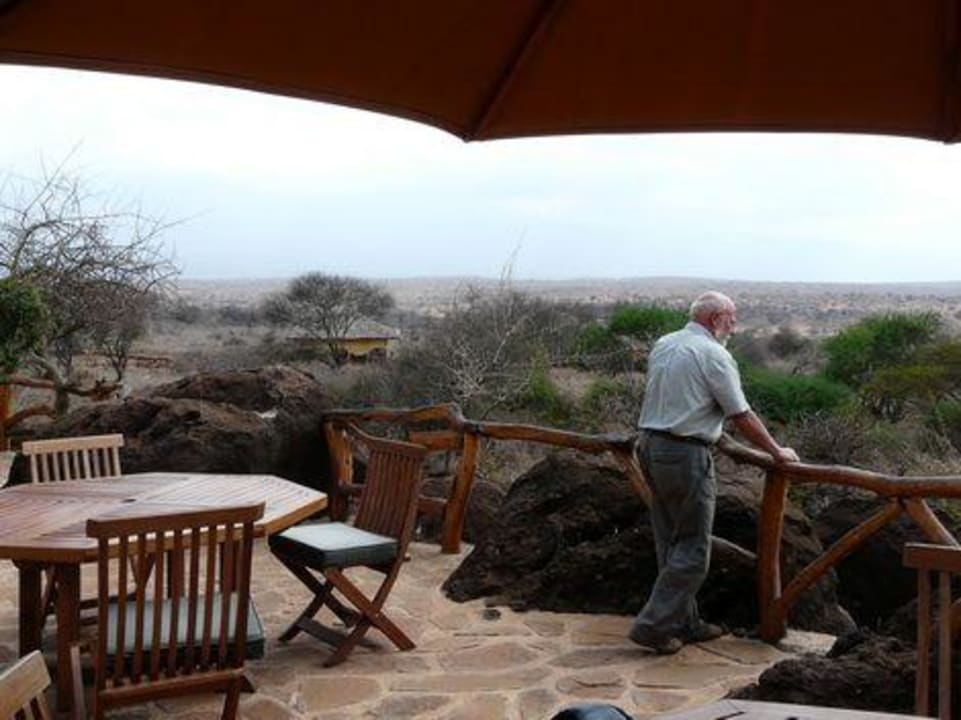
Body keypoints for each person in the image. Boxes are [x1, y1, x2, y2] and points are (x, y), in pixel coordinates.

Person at [630, 291, 798, 655]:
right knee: (692, 549)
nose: (735, 326)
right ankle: (653, 626)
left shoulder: (665, 343)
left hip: (649, 445)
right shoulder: (714, 354)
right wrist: (776, 451)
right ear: (717, 318)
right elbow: (741, 415)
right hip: (685, 453)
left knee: (670, 540)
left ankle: (684, 622)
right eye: (732, 318)